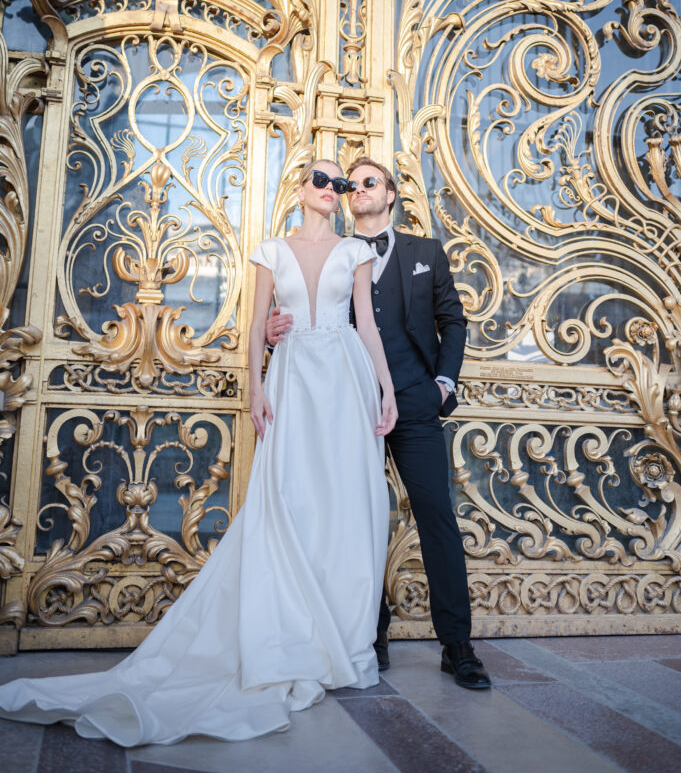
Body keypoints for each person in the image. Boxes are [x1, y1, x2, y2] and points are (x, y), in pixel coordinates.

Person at [0, 159, 397, 745]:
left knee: (344, 505)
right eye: (322, 179)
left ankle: (337, 631)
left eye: (341, 183)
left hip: (345, 379)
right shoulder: (271, 251)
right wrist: (257, 388)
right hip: (293, 380)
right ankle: (291, 629)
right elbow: (258, 322)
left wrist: (385, 388)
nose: (333, 190)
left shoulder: (355, 253)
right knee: (291, 499)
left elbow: (367, 326)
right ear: (300, 188)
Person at [267, 156, 491, 690]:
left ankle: (457, 646)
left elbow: (452, 321)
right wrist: (277, 328)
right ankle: (368, 634)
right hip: (345, 403)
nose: (357, 189)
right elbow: (306, 313)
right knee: (354, 520)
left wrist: (444, 384)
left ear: (390, 195)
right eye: (351, 183)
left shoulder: (425, 252)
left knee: (437, 516)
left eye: (371, 182)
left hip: (414, 402)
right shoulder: (332, 251)